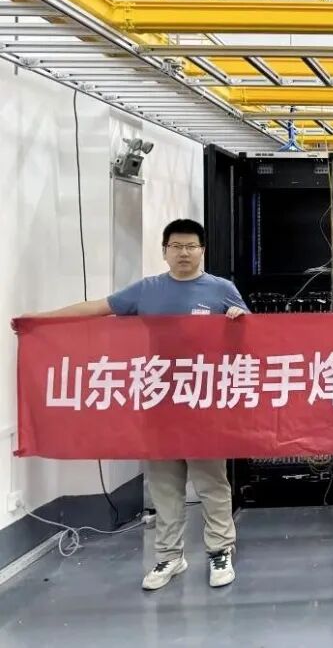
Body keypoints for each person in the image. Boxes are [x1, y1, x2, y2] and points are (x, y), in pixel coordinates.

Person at [13, 219, 247, 591]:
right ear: (165, 250)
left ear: (202, 250)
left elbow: (252, 339)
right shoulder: (147, 290)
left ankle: (221, 550)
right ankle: (169, 556)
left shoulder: (221, 290)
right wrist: (38, 321)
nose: (183, 253)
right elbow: (97, 308)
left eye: (190, 246)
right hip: (159, 401)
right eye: (176, 246)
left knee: (211, 483)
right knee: (164, 485)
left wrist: (238, 319)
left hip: (204, 402)